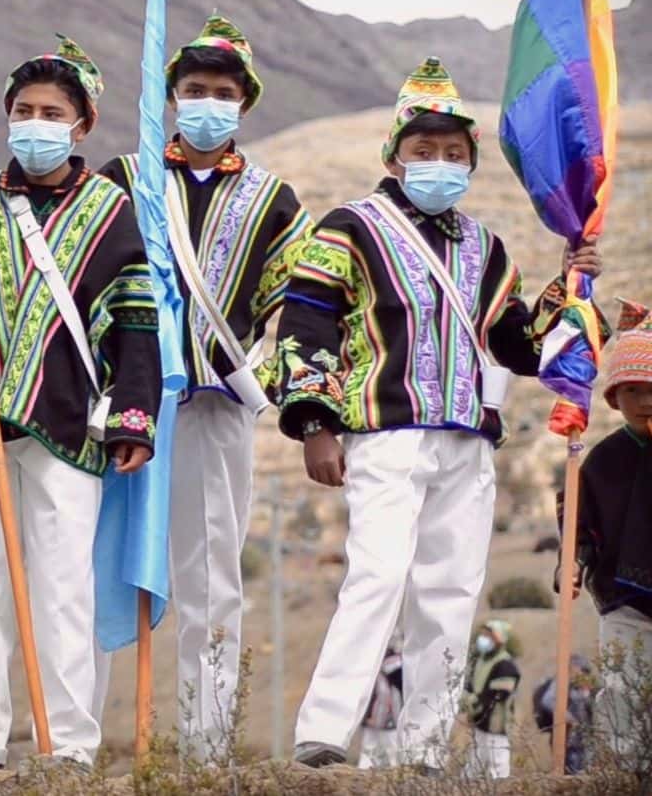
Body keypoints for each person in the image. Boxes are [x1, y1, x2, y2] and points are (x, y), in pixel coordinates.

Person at [277, 57, 603, 770]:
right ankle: (325, 730)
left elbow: (518, 345)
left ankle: (425, 745)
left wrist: (570, 288)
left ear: (471, 163)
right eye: (424, 151)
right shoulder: (349, 228)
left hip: (468, 441)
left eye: (454, 153)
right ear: (395, 155)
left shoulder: (485, 248)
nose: (439, 163)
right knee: (377, 574)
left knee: (451, 591)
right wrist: (314, 422)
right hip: (384, 433)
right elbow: (306, 320)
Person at [0, 36, 162, 769]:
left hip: (67, 422)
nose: (35, 122)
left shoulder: (112, 211)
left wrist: (133, 416)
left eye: (52, 111)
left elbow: (137, 315)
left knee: (63, 590)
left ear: (83, 125)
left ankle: (70, 747)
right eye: (23, 109)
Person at [97, 16, 311, 751]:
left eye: (223, 92)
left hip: (216, 409)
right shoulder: (122, 181)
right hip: (118, 407)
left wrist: (264, 378)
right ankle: (71, 745)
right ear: (171, 95)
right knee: (97, 559)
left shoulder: (275, 199)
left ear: (244, 104)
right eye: (194, 89)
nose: (207, 103)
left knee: (212, 568)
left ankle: (206, 744)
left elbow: (303, 307)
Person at [562, 299, 652, 764]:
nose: (646, 402)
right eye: (633, 391)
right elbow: (577, 521)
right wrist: (571, 562)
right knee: (622, 691)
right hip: (624, 602)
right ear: (615, 397)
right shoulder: (600, 461)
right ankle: (624, 773)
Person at [461, 619, 520, 778]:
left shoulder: (506, 666)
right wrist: (468, 704)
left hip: (496, 725)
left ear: (499, 639)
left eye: (488, 636)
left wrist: (474, 704)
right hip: (480, 722)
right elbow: (469, 687)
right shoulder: (480, 661)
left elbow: (497, 696)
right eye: (483, 635)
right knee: (473, 765)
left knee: (498, 767)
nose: (483, 639)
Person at [357, 640, 403, 769]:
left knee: (371, 751)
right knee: (391, 751)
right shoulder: (390, 658)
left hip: (373, 712)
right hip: (385, 713)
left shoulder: (368, 657)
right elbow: (400, 680)